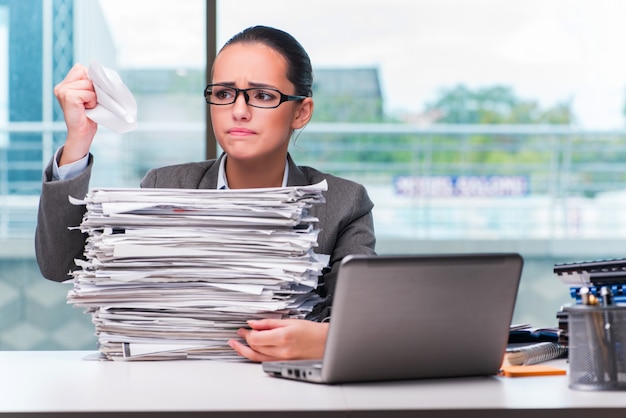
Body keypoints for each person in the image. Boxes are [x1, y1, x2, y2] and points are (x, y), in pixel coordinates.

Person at [35, 25, 376, 362]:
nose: (239, 110)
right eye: (224, 94)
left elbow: (365, 319)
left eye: (262, 96)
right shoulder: (165, 187)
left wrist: (326, 341)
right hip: (176, 385)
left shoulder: (344, 203)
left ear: (300, 111)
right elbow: (60, 266)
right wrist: (78, 139)